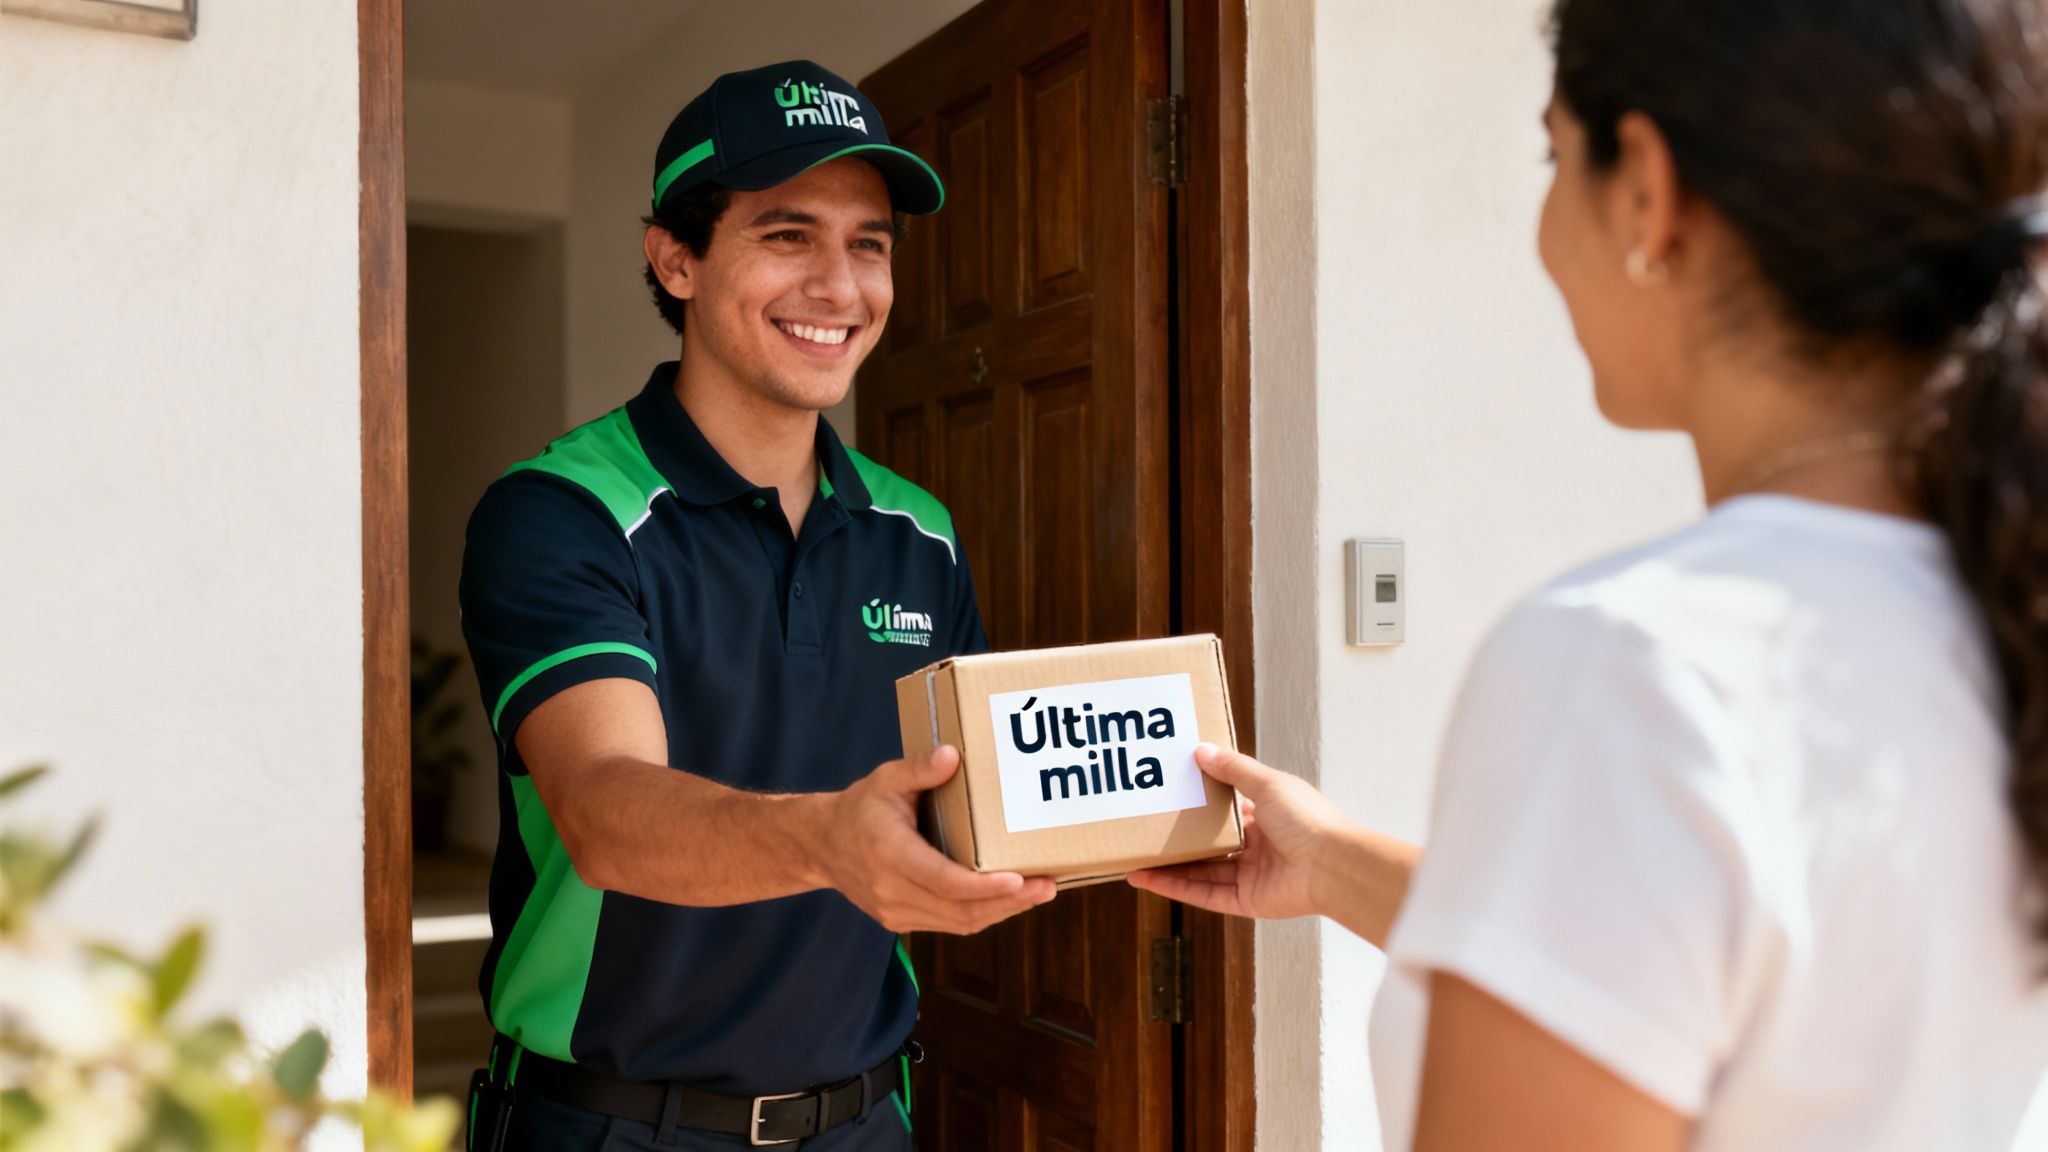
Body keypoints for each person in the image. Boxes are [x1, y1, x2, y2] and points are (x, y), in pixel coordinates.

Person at [1132, 2, 2048, 1149]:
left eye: (1552, 154)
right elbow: (1688, 982)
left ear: (1647, 192)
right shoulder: (2001, 601)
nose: (1541, 222)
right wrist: (1327, 863)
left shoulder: (1628, 663)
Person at [457, 60, 1054, 1152]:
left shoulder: (916, 531)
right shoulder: (561, 512)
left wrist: (1151, 807)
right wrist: (828, 840)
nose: (839, 286)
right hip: (614, 1126)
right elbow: (604, 809)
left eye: (867, 244)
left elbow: (979, 796)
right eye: (787, 236)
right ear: (674, 260)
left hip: (865, 1119)